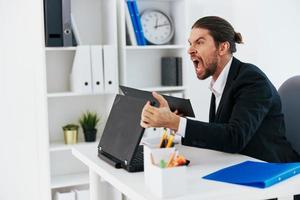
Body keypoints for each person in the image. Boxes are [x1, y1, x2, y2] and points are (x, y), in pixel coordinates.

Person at [140, 16, 300, 163]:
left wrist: (176, 122)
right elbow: (222, 135)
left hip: (271, 169)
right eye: (190, 43)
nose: (190, 50)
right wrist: (174, 123)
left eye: (199, 42)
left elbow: (234, 138)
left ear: (222, 47)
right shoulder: (222, 81)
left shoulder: (252, 80)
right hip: (239, 163)